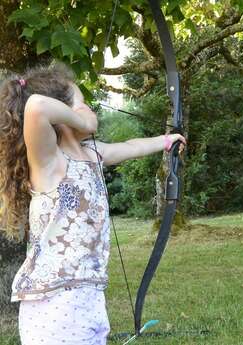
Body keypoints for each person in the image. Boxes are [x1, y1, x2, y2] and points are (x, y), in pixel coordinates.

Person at [0, 64, 185, 345]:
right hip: (54, 303)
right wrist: (83, 121)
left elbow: (131, 147)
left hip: (89, 296)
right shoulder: (49, 161)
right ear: (64, 117)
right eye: (82, 104)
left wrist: (166, 140)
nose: (91, 111)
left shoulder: (92, 154)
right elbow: (36, 106)